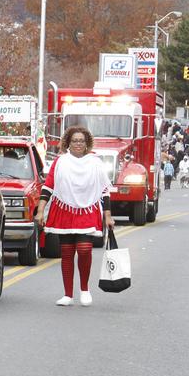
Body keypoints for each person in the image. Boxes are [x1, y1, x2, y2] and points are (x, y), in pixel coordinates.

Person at [36, 126, 113, 307]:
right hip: (64, 210)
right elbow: (48, 187)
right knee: (67, 253)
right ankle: (68, 294)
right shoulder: (60, 162)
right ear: (68, 143)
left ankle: (85, 290)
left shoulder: (95, 162)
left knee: (85, 249)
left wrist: (108, 216)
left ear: (87, 144)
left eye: (81, 141)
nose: (78, 144)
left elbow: (105, 190)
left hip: (87, 211)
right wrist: (41, 210)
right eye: (74, 141)